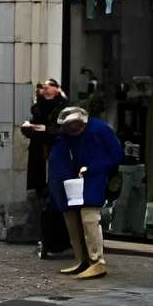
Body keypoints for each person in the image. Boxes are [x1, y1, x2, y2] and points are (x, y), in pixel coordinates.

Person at [46, 99, 125, 279]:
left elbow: (116, 156)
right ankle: (82, 259)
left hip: (95, 177)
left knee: (89, 218)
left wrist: (94, 168)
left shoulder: (98, 130)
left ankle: (96, 261)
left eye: (71, 126)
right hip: (79, 178)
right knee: (75, 220)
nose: (70, 130)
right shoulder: (71, 135)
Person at [20, 78, 68, 258]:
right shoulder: (38, 108)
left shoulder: (63, 107)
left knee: (55, 200)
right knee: (41, 199)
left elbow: (62, 130)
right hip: (40, 157)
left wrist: (44, 129)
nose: (46, 91)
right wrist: (30, 128)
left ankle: (56, 242)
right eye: (43, 88)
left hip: (57, 157)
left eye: (50, 88)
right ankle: (45, 241)